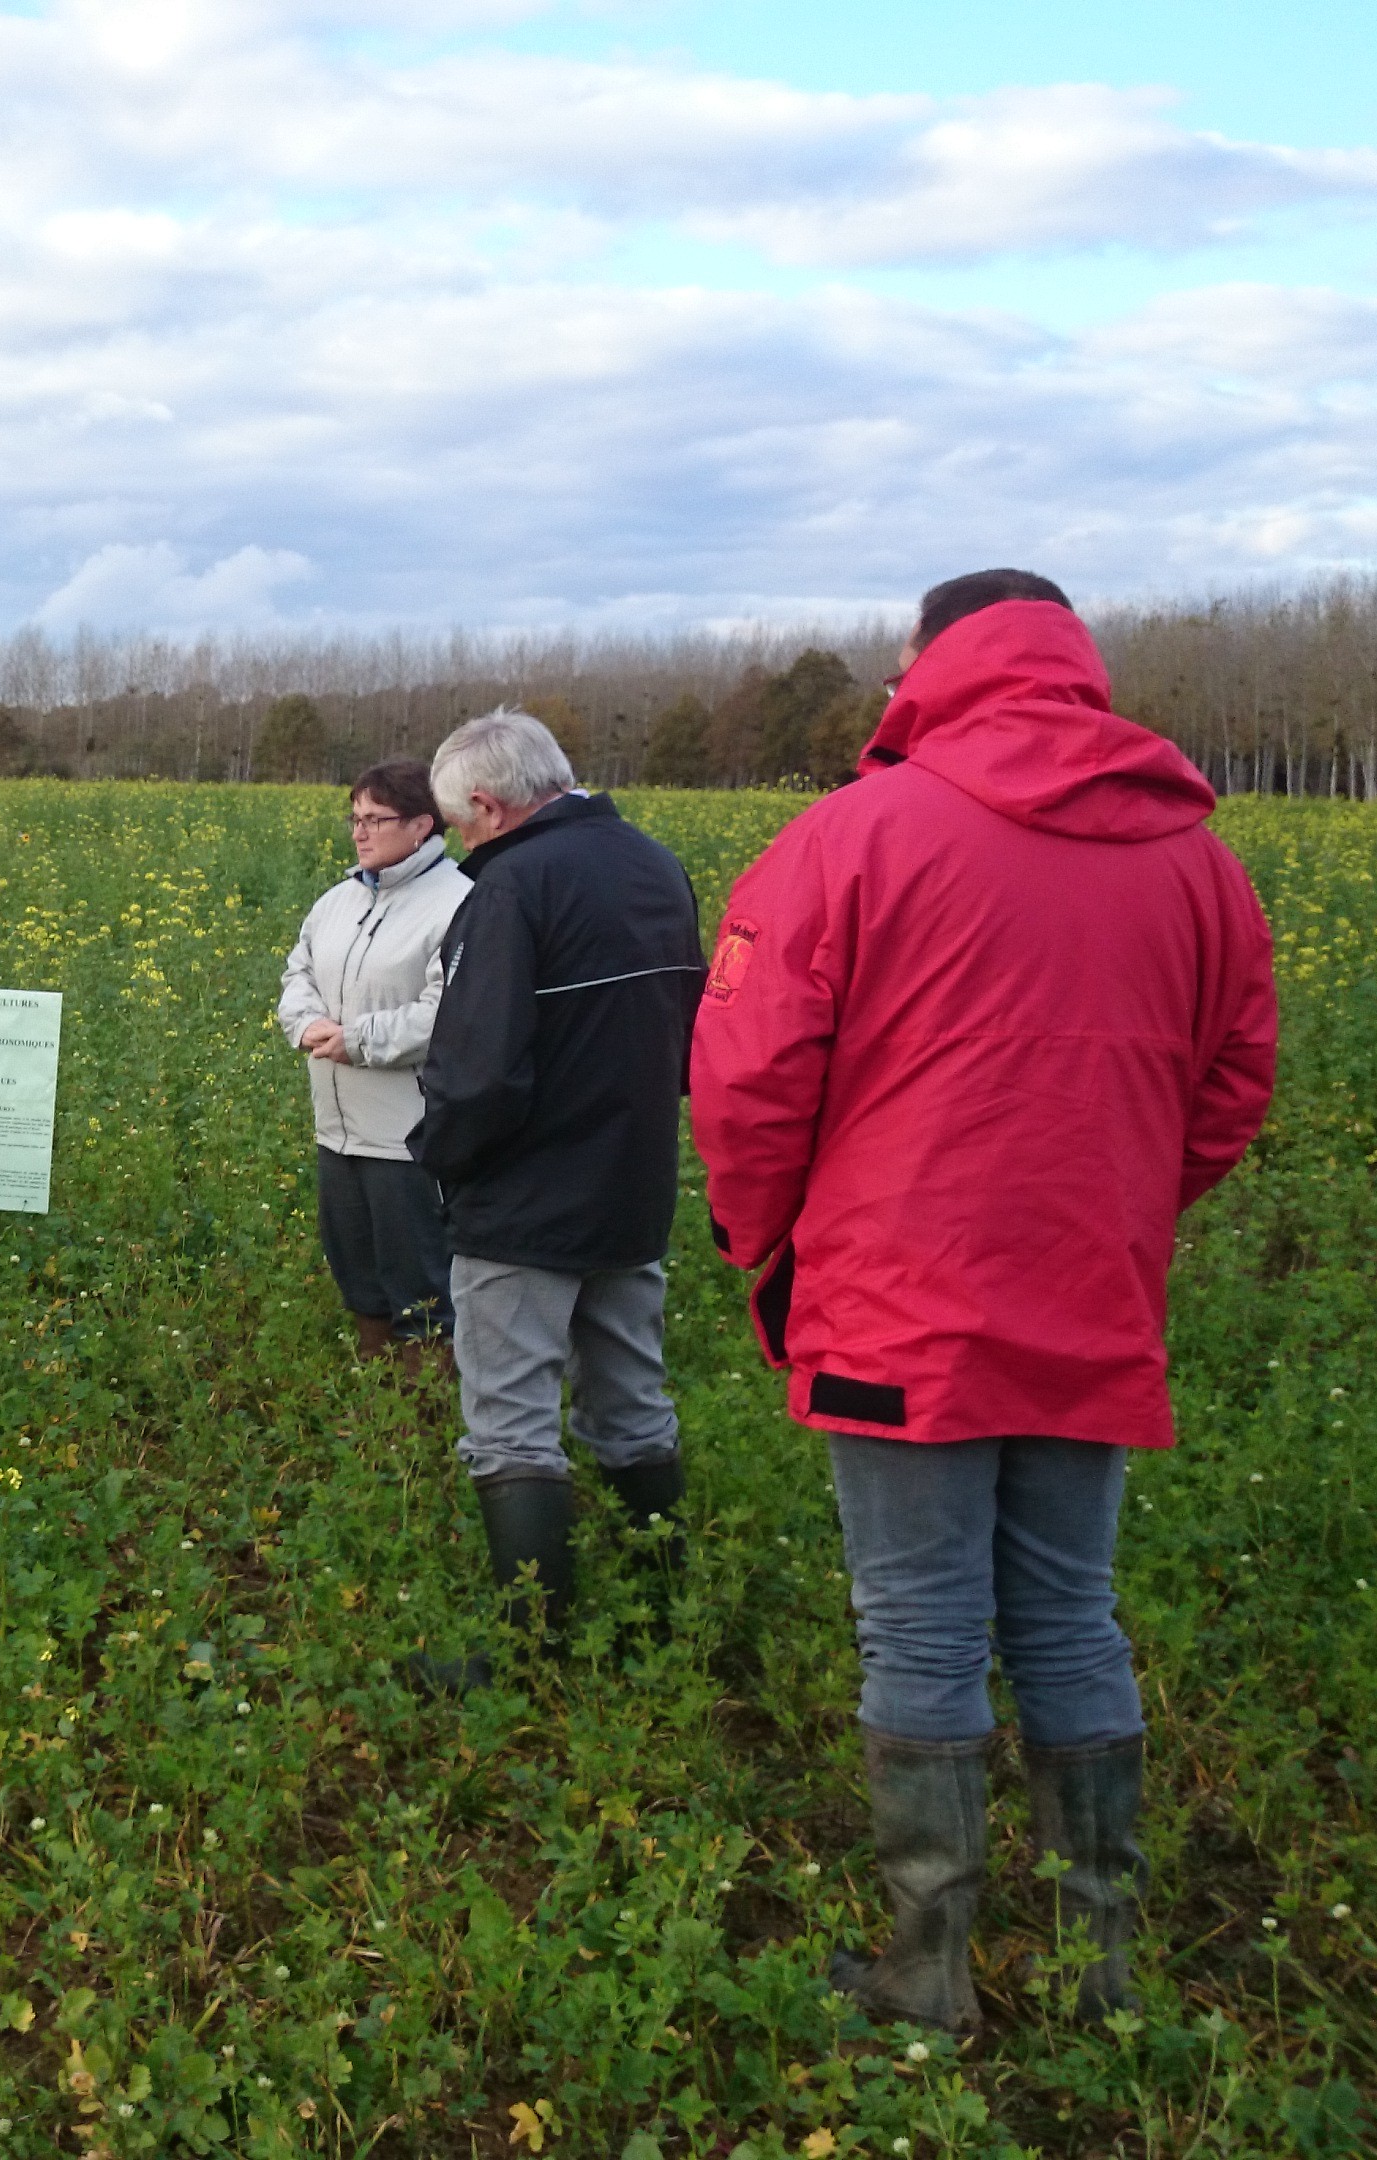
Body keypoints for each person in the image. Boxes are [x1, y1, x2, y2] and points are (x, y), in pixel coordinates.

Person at [690, 570, 1277, 2032]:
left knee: (921, 1625)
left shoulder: (851, 837)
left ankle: (930, 1968)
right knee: (1073, 1614)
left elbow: (750, 1081)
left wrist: (765, 1246)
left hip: (898, 1300)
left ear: (928, 661)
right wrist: (1121, 1219)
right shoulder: (1200, 858)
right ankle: (1100, 1966)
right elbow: (1229, 1089)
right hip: (1090, 1290)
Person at [404, 708, 702, 1687]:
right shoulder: (655, 865)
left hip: (523, 1207)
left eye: (462, 826)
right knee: (632, 1405)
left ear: (487, 806)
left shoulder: (513, 888)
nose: (464, 844)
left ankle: (534, 1660)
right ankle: (667, 1622)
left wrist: (439, 1158)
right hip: (633, 1188)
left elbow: (479, 1074)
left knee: (510, 1424)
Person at [276, 759, 467, 1362]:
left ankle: (423, 1415)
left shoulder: (460, 903)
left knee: (420, 1283)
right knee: (356, 1268)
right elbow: (298, 972)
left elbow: (451, 1013)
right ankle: (377, 1396)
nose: (359, 832)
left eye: (375, 820)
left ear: (422, 826)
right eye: (355, 818)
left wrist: (358, 1038)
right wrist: (305, 1022)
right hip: (337, 1129)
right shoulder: (337, 900)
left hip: (408, 1134)